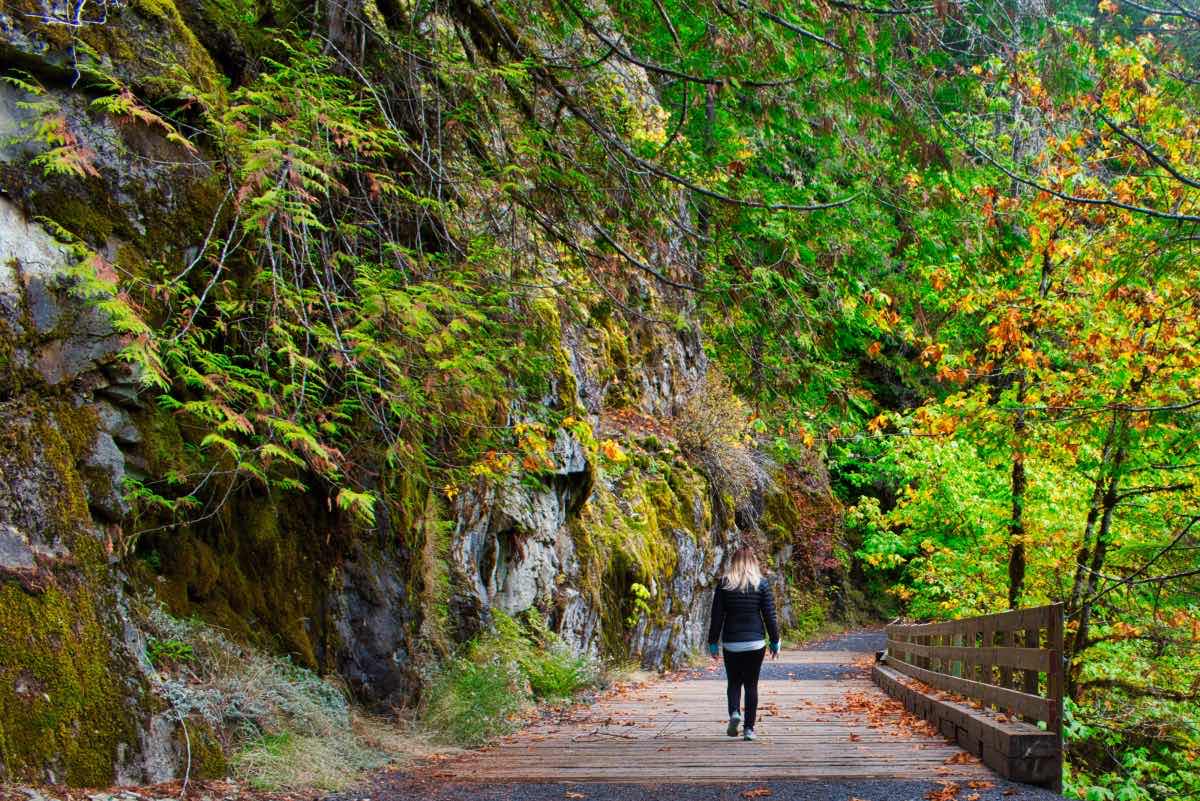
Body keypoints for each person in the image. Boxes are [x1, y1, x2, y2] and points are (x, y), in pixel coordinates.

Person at [707, 545, 780, 741]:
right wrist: (775, 640)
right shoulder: (761, 584)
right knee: (751, 685)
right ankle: (749, 729)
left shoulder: (724, 584)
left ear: (734, 563)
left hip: (732, 642)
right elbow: (770, 616)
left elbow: (716, 617)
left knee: (734, 682)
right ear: (753, 563)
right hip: (755, 643)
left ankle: (734, 713)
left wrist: (712, 642)